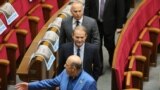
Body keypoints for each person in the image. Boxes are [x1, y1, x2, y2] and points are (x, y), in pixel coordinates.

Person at [15, 55, 97, 90]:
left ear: (73, 69)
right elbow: (50, 83)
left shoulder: (89, 82)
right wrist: (30, 86)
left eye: (67, 65)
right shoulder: (65, 72)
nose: (64, 66)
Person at [84, 0, 125, 67]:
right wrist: (86, 23)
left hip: (110, 24)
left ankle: (113, 61)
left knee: (109, 45)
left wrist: (119, 25)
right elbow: (87, 9)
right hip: (95, 23)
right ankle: (99, 67)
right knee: (97, 45)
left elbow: (120, 9)